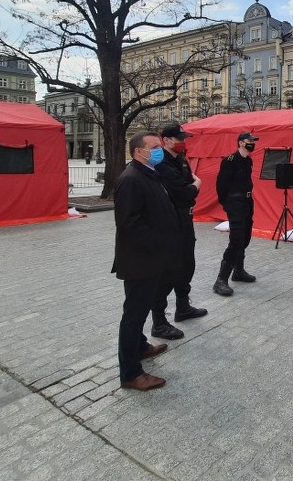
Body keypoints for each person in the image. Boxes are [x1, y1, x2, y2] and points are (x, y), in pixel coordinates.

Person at [112, 131, 180, 391]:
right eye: (154, 147)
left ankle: (140, 347)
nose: (159, 150)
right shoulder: (131, 179)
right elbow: (129, 224)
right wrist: (159, 241)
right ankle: (130, 373)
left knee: (139, 310)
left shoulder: (149, 174)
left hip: (151, 258)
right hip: (140, 260)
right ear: (138, 152)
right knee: (134, 314)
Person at [150, 122, 207, 342]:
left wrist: (191, 187)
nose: (183, 142)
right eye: (179, 139)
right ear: (166, 140)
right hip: (170, 221)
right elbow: (184, 192)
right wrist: (196, 184)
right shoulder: (161, 163)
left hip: (185, 219)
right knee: (167, 270)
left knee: (186, 264)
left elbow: (187, 187)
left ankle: (183, 307)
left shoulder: (181, 159)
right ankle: (159, 322)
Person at [213, 131, 259, 296]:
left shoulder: (248, 160)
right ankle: (221, 280)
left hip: (247, 202)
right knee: (236, 240)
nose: (252, 143)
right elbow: (221, 185)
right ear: (241, 142)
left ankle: (238, 271)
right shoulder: (230, 161)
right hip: (235, 203)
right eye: (249, 140)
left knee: (245, 237)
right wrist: (227, 204)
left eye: (253, 141)